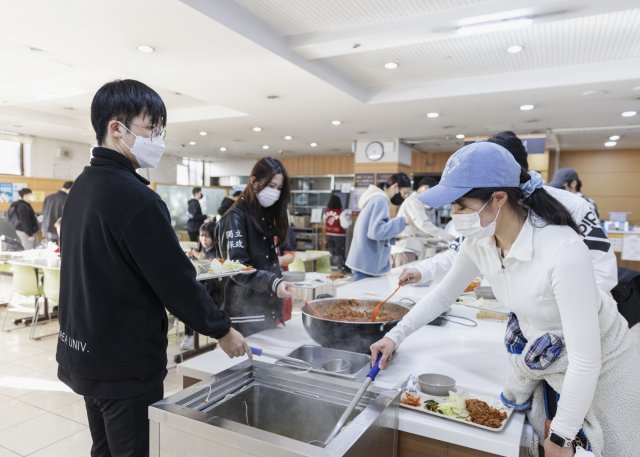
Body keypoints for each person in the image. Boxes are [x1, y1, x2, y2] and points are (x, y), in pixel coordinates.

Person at [372, 141, 640, 456]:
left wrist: (562, 437)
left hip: (602, 371)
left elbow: (586, 360)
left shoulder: (561, 250)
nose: (456, 216)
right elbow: (444, 294)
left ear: (499, 198)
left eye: (461, 206)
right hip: (548, 361)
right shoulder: (481, 241)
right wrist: (394, 336)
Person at [56, 79, 249, 457]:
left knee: (104, 450)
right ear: (117, 128)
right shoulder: (136, 198)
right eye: (152, 128)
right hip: (124, 362)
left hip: (84, 352)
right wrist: (221, 329)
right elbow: (175, 280)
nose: (159, 138)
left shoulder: (82, 186)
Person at [399, 131, 617, 297]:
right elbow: (461, 252)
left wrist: (560, 311)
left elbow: (602, 274)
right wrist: (422, 270)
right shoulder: (485, 211)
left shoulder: (572, 207)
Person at [215, 157, 294, 336]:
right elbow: (237, 268)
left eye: (279, 188)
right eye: (271, 186)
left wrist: (278, 282)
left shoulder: (263, 217)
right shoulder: (234, 218)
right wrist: (273, 282)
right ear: (254, 181)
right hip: (243, 318)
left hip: (265, 313)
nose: (275, 192)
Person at [345, 173, 412, 281]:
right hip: (367, 265)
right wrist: (402, 222)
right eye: (404, 193)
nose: (404, 197)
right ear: (395, 187)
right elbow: (377, 232)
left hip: (363, 262)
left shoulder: (375, 199)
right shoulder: (380, 200)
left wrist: (393, 237)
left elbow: (373, 229)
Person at [391, 177, 452, 267]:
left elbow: (432, 228)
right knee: (404, 279)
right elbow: (424, 225)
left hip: (416, 249)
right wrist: (449, 237)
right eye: (433, 193)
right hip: (406, 249)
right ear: (426, 188)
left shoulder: (426, 204)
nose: (433, 197)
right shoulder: (413, 201)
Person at [182, 221, 218, 350]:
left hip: (213, 289)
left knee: (192, 301)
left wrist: (197, 255)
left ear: (214, 237)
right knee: (186, 300)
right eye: (202, 235)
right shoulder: (201, 250)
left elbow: (211, 263)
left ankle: (191, 335)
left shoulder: (216, 251)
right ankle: (189, 335)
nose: (204, 239)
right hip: (200, 286)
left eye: (207, 236)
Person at [323, 195, 350, 272]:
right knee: (339, 252)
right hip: (339, 235)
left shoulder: (326, 212)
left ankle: (331, 267)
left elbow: (324, 223)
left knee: (331, 251)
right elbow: (345, 224)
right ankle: (339, 268)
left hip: (329, 234)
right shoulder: (341, 212)